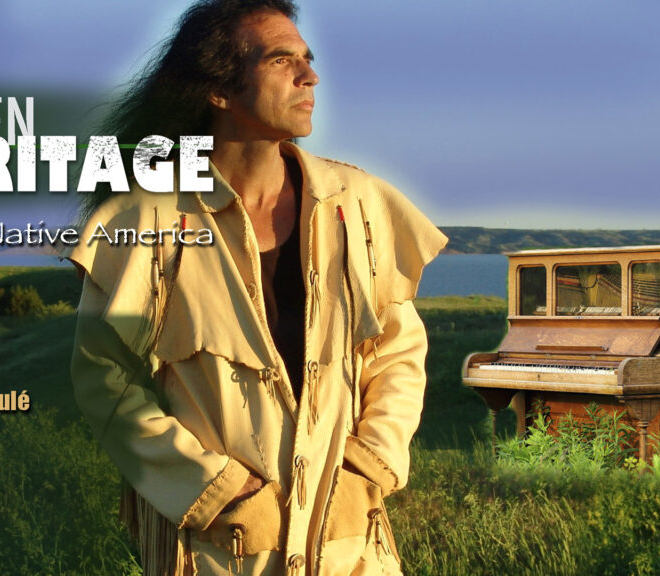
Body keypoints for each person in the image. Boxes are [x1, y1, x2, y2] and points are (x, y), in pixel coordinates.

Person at [67, 1, 447, 574]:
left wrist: (370, 463)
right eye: (280, 60)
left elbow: (397, 350)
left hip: (349, 545)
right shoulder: (149, 216)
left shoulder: (358, 204)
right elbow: (103, 376)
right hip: (219, 552)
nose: (309, 76)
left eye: (307, 59)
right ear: (219, 90)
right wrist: (212, 487)